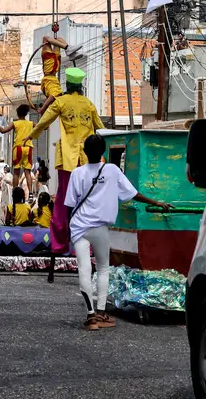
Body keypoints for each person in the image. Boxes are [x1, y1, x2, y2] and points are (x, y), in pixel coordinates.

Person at [65, 135, 172, 330]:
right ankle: (102, 313)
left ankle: (90, 317)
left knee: (84, 269)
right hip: (100, 228)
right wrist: (156, 202)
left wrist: (66, 229)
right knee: (103, 268)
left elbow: (69, 205)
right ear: (103, 152)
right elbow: (133, 194)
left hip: (79, 226)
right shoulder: (112, 171)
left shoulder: (77, 173)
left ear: (84, 152)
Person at [27, 67, 104, 269]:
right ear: (81, 86)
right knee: (87, 202)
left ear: (68, 85)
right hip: (88, 159)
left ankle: (59, 245)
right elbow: (100, 127)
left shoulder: (61, 102)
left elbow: (44, 121)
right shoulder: (89, 104)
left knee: (63, 201)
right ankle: (86, 247)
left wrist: (31, 136)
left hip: (68, 159)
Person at [0, 104, 35, 201]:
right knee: (27, 172)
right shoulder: (30, 123)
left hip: (18, 148)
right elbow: (42, 127)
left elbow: (3, 131)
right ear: (26, 113)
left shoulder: (15, 123)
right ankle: (31, 194)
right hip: (28, 148)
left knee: (16, 172)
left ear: (18, 113)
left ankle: (15, 192)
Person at [38, 34, 69, 115]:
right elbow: (52, 96)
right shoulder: (56, 94)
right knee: (46, 38)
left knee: (58, 39)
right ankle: (67, 48)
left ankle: (68, 48)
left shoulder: (59, 92)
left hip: (54, 68)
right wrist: (43, 109)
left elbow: (51, 97)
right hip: (50, 68)